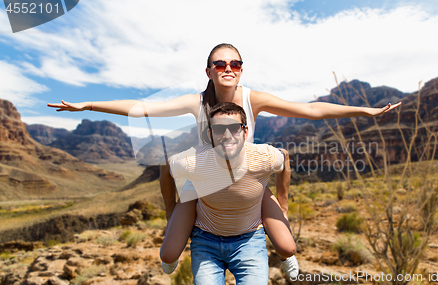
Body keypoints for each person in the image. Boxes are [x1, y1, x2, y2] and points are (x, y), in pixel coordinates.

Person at [47, 43, 401, 279]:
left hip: (248, 179)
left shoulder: (254, 99)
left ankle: (284, 253)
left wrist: (364, 111)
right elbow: (141, 109)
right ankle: (178, 237)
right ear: (209, 71)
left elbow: (309, 111)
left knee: (286, 244)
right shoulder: (194, 102)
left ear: (241, 70)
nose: (227, 68)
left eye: (235, 63)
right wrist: (88, 105)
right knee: (169, 254)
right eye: (220, 63)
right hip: (205, 184)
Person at [166, 102, 284, 284]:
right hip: (206, 239)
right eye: (219, 129)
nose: (227, 135)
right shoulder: (193, 161)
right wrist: (170, 209)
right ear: (210, 134)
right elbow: (166, 165)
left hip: (249, 239)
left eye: (234, 128)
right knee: (167, 254)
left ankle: (287, 257)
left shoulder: (265, 157)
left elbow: (285, 158)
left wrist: (283, 204)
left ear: (245, 132)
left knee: (287, 247)